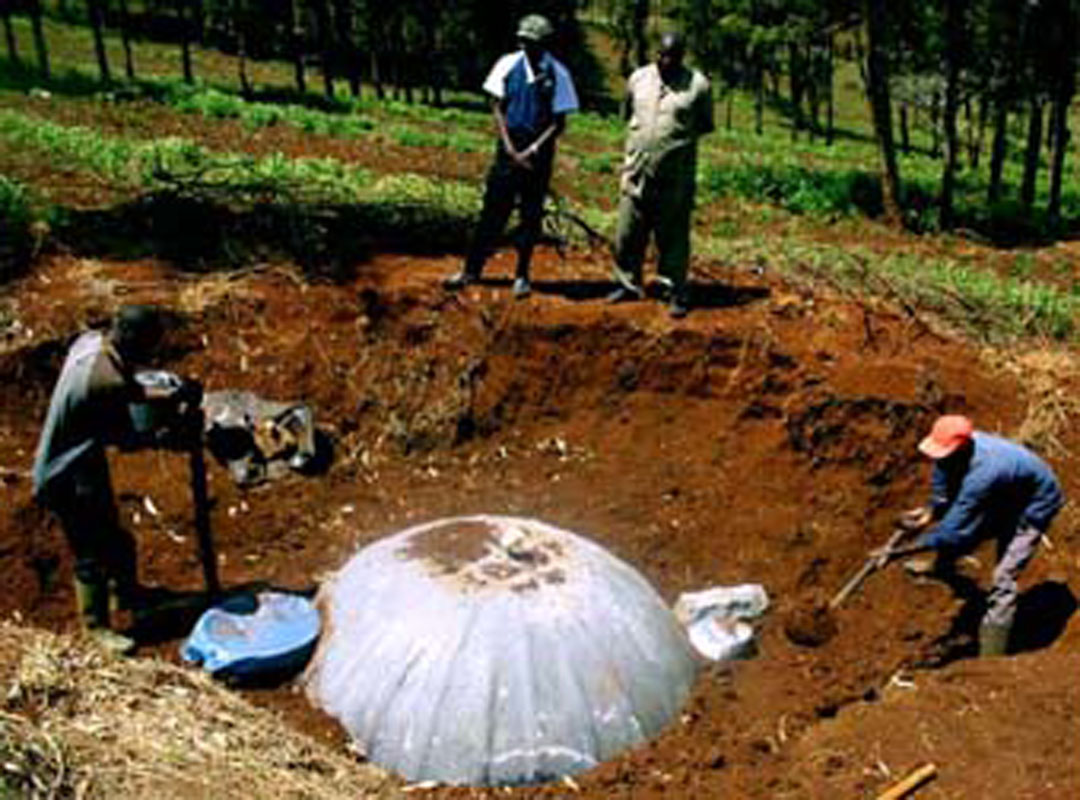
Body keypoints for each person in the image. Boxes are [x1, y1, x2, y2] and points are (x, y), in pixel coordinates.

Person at [32, 305, 201, 654]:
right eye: (147, 345)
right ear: (132, 339)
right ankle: (95, 629)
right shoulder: (102, 381)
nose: (149, 353)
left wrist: (172, 392)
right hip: (65, 472)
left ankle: (128, 595)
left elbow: (130, 388)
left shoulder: (93, 341)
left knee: (116, 537)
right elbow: (125, 436)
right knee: (89, 551)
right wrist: (169, 436)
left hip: (84, 458)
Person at [876, 415, 1064, 658]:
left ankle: (991, 657)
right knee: (965, 527)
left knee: (1002, 577)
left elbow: (950, 531)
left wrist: (896, 552)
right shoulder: (951, 455)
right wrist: (929, 512)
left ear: (962, 448)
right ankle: (941, 567)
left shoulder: (985, 473)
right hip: (1008, 492)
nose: (939, 459)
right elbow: (943, 489)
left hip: (1035, 504)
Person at [444, 14, 579, 299]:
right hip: (508, 148)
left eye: (533, 42)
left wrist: (532, 150)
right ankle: (471, 270)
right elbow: (496, 105)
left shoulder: (558, 73)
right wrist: (508, 146)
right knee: (492, 212)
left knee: (530, 216)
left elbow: (559, 122)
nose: (527, 46)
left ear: (544, 44)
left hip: (538, 152)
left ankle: (522, 275)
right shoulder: (507, 64)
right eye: (523, 41)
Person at [607, 32, 714, 318]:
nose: (665, 61)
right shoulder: (638, 78)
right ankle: (627, 282)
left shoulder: (698, 86)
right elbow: (628, 114)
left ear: (682, 57)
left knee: (674, 236)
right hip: (636, 170)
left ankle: (673, 289)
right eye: (661, 55)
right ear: (656, 53)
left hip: (675, 177)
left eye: (672, 57)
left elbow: (704, 125)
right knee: (628, 232)